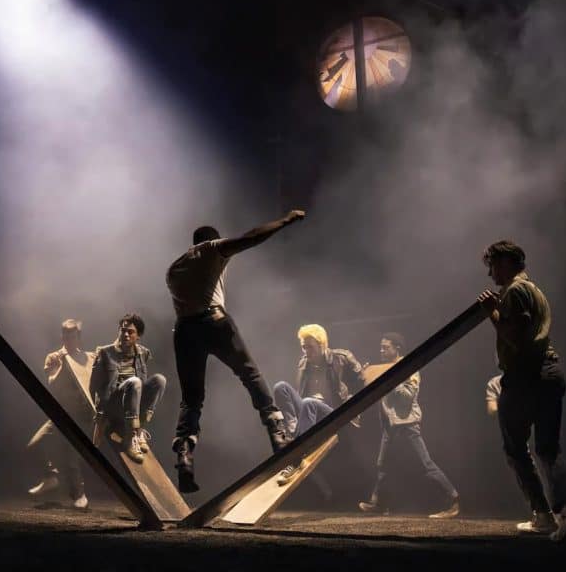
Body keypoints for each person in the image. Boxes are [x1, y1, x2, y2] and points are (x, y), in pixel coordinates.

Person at [166, 210, 305, 492]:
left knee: (191, 400)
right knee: (250, 373)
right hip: (213, 322)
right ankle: (276, 430)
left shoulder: (173, 269)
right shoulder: (211, 249)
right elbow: (250, 238)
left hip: (184, 331)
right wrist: (285, 220)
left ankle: (184, 453)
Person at [477, 239, 566, 541]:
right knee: (548, 449)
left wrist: (491, 313)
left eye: (492, 266)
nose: (490, 274)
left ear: (507, 262)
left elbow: (516, 338)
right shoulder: (535, 290)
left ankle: (543, 515)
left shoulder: (515, 292)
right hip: (548, 372)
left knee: (515, 449)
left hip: (526, 376)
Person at [358, 333, 460, 518]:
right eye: (381, 347)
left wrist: (390, 379)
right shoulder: (385, 368)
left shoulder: (409, 367)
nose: (381, 350)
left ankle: (453, 500)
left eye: (386, 347)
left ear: (397, 348)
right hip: (390, 426)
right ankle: (379, 503)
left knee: (426, 464)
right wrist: (369, 376)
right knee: (383, 465)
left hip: (407, 424)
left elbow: (408, 397)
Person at [272, 324, 363, 486]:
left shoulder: (341, 358)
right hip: (310, 413)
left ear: (323, 345)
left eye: (311, 347)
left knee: (309, 402)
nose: (307, 352)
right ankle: (295, 437)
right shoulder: (303, 363)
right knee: (280, 387)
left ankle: (296, 458)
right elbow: (300, 393)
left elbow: (362, 382)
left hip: (334, 414)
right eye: (304, 347)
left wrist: (350, 400)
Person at [27, 319, 95, 509]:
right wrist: (63, 365)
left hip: (82, 417)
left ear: (78, 337)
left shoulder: (89, 358)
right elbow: (52, 384)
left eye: (71, 335)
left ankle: (80, 496)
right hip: (60, 415)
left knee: (71, 457)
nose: (68, 339)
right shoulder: (55, 357)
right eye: (65, 335)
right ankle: (50, 476)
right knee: (35, 445)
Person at [90, 313, 167, 463]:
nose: (125, 334)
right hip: (114, 405)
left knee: (160, 380)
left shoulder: (143, 353)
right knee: (135, 382)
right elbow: (93, 385)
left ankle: (138, 430)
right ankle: (129, 438)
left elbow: (145, 389)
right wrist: (100, 413)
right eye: (122, 330)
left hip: (133, 405)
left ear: (138, 336)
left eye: (130, 332)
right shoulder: (105, 353)